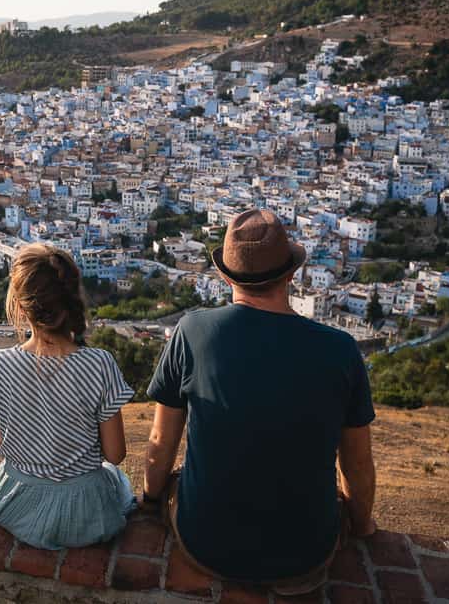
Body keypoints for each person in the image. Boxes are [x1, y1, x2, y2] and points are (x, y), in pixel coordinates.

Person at [143, 209, 377, 596]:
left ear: (225, 276)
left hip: (205, 544)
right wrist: (363, 525)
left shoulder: (193, 332)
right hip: (306, 553)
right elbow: (356, 461)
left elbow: (161, 440)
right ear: (291, 274)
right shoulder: (340, 350)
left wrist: (152, 502)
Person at [0, 243, 136, 550]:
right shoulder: (100, 364)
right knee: (118, 480)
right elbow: (115, 455)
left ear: (19, 307)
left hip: (17, 506)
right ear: (72, 299)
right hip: (87, 512)